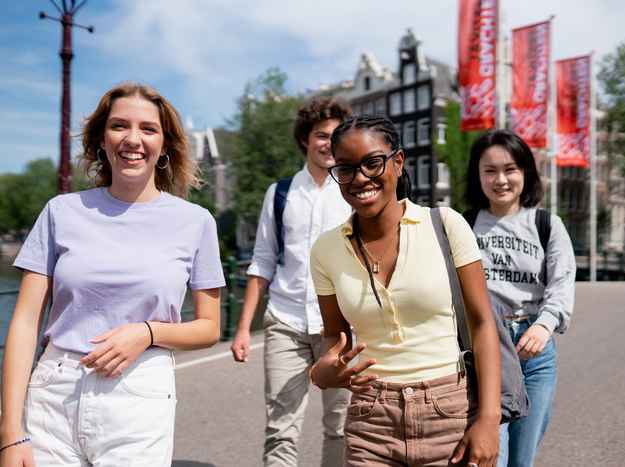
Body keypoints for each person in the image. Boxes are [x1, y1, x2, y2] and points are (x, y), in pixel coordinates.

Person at [0, 82, 225, 467]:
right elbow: (24, 323)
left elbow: (208, 328)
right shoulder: (60, 212)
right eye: (119, 126)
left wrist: (148, 332)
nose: (133, 139)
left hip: (139, 394)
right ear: (101, 140)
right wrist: (10, 434)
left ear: (165, 144)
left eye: (148, 129)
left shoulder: (195, 222)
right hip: (54, 393)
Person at [309, 116, 501, 467]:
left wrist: (489, 420)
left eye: (372, 162)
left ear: (398, 162)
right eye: (346, 169)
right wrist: (323, 371)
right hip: (371, 418)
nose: (360, 178)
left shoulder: (445, 224)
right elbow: (334, 337)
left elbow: (483, 323)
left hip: (450, 412)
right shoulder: (325, 250)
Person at [229, 96, 353, 466]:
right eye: (320, 134)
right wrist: (242, 330)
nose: (328, 142)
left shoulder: (352, 191)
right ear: (305, 139)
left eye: (335, 135)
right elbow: (263, 260)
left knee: (342, 427)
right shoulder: (280, 193)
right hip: (286, 321)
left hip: (342, 327)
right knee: (281, 427)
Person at [464, 129, 576, 467]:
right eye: (490, 170)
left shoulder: (546, 224)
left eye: (510, 169)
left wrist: (544, 326)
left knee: (522, 459)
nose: (501, 179)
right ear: (477, 175)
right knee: (487, 455)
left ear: (525, 172)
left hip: (534, 353)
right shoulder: (463, 225)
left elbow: (562, 282)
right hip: (484, 348)